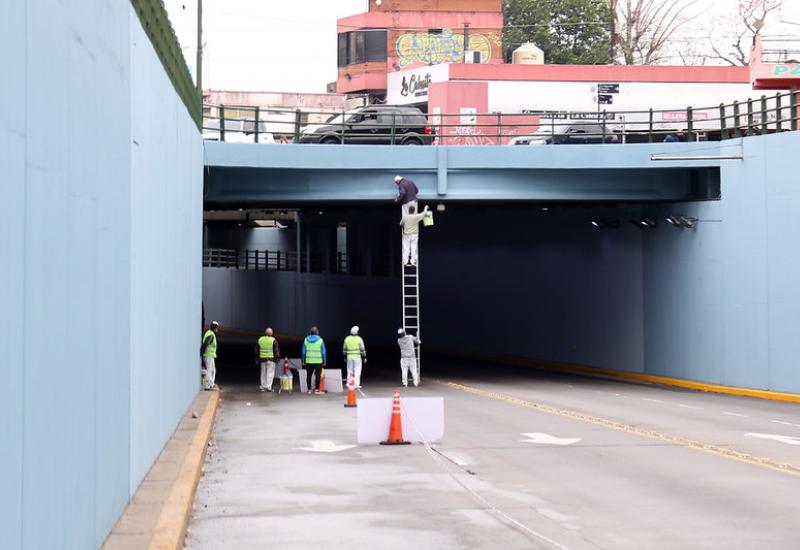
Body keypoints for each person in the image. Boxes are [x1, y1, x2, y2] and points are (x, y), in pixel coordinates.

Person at [302, 326, 327, 394]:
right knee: (318, 375)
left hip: (309, 361)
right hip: (318, 361)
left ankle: (309, 390)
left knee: (309, 375)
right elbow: (323, 352)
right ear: (317, 332)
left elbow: (303, 352)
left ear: (310, 332)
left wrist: (303, 361)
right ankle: (316, 390)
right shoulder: (320, 340)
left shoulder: (306, 340)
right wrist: (324, 361)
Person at [255, 328, 281, 392]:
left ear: (265, 333)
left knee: (263, 373)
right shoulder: (273, 340)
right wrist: (277, 359)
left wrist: (257, 359)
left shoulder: (260, 339)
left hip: (262, 359)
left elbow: (256, 350)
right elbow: (276, 351)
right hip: (271, 359)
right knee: (270, 373)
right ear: (271, 333)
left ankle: (263, 387)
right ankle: (269, 387)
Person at [201, 321, 220, 390]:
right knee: (210, 371)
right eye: (217, 327)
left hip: (210, 355)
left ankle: (211, 384)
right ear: (215, 328)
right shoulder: (211, 335)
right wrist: (202, 353)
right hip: (208, 355)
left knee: (213, 371)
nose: (218, 329)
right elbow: (205, 344)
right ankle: (208, 385)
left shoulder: (209, 333)